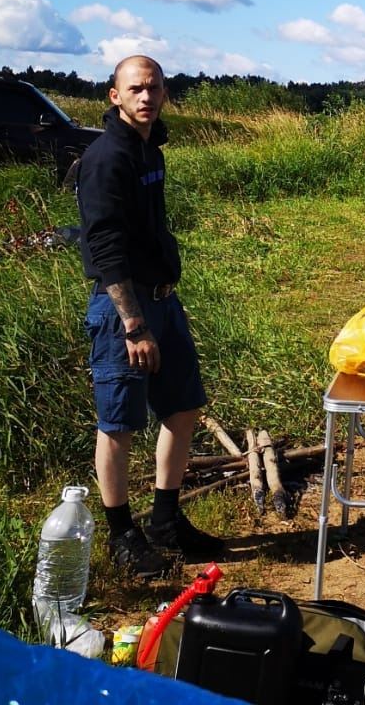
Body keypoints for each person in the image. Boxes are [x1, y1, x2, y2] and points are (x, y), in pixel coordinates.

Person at [77, 55, 223, 577]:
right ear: (114, 96)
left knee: (183, 409)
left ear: (164, 93)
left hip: (163, 300)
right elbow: (105, 247)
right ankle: (122, 535)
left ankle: (165, 520)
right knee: (118, 423)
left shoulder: (148, 145)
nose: (146, 97)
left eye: (153, 88)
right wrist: (134, 325)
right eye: (135, 89)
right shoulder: (107, 158)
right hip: (127, 310)